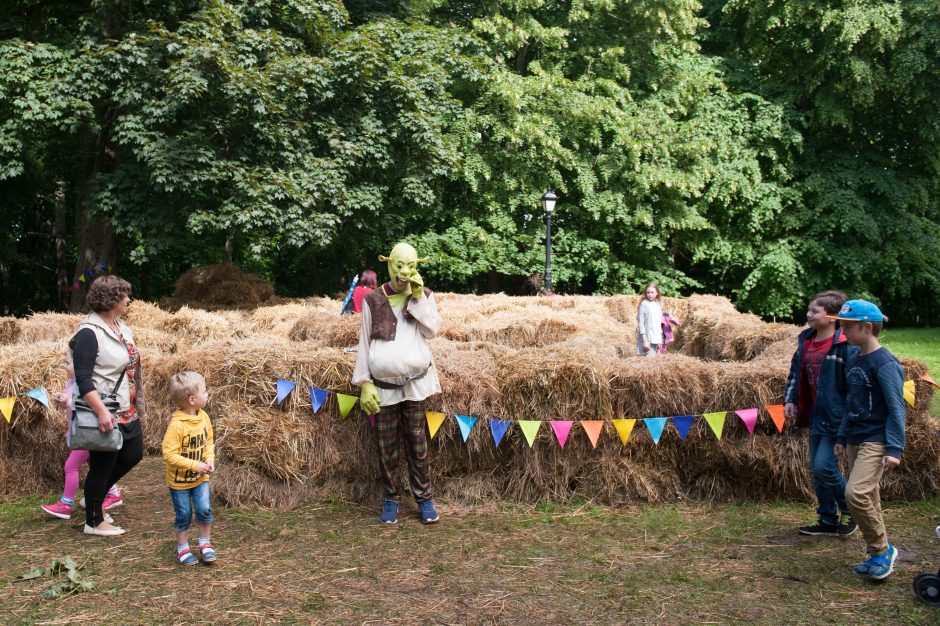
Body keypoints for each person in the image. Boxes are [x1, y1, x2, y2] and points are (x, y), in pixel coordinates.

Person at [353, 242, 442, 525]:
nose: (404, 271)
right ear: (388, 264)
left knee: (417, 442)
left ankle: (424, 499)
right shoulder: (372, 300)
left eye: (410, 265)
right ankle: (391, 498)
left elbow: (432, 331)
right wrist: (364, 382)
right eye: (398, 265)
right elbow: (364, 342)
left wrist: (417, 299)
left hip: (415, 384)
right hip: (383, 386)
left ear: (417, 265)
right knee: (386, 444)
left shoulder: (425, 295)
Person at [831, 300, 905, 580]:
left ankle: (884, 549)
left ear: (868, 327)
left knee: (855, 494)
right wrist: (841, 435)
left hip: (877, 438)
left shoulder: (885, 363)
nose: (843, 333)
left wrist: (895, 447)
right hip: (854, 437)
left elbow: (897, 407)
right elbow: (852, 401)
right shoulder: (855, 358)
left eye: (848, 327)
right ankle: (878, 554)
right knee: (869, 496)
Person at [71, 275, 146, 536]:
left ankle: (94, 498)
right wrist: (101, 412)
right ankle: (93, 521)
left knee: (133, 454)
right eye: (125, 295)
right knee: (103, 465)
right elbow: (82, 378)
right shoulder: (88, 332)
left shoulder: (121, 326)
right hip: (104, 408)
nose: (128, 300)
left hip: (126, 407)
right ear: (113, 299)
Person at [783, 291, 859, 537]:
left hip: (835, 416)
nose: (808, 315)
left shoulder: (845, 345)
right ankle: (827, 518)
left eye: (814, 311)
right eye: (809, 310)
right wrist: (790, 400)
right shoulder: (806, 340)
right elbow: (795, 374)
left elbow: (853, 384)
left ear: (832, 317)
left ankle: (851, 509)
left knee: (824, 466)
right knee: (816, 469)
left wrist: (848, 418)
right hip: (812, 414)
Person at [40, 353, 124, 520]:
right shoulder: (70, 383)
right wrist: (62, 402)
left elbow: (85, 406)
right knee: (94, 464)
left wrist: (69, 402)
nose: (64, 366)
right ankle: (113, 493)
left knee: (70, 466)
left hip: (88, 433)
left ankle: (66, 504)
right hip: (79, 432)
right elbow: (71, 408)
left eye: (67, 363)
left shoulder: (84, 384)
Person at [162, 371, 217, 566]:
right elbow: (168, 454)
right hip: (179, 483)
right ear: (192, 399)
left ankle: (205, 543)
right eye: (204, 390)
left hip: (201, 479)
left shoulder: (204, 418)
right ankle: (182, 548)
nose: (207, 393)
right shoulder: (177, 425)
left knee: (204, 509)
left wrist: (209, 459)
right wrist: (194, 465)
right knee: (184, 514)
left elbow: (209, 441)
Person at [636, 282, 663, 356]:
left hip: (656, 339)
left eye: (652, 292)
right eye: (648, 292)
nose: (650, 294)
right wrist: (645, 340)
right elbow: (641, 323)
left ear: (657, 293)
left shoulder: (658, 304)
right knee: (648, 364)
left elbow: (658, 323)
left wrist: (660, 340)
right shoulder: (644, 304)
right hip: (648, 340)